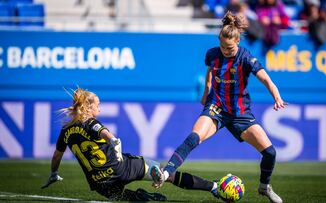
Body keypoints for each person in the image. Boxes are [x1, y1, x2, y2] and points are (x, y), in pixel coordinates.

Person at [153, 11, 287, 203]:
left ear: (238, 42)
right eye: (223, 46)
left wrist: (277, 96)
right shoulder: (212, 54)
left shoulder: (246, 58)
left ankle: (264, 186)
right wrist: (206, 91)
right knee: (194, 137)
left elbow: (265, 78)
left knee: (270, 153)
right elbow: (210, 71)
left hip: (240, 113)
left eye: (230, 48)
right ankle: (166, 173)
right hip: (216, 107)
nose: (226, 50)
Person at [41, 87, 219, 201]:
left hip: (100, 183)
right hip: (121, 168)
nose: (100, 109)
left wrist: (54, 173)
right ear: (88, 108)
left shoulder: (66, 130)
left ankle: (142, 196)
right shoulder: (91, 123)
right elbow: (107, 134)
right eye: (98, 105)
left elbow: (57, 155)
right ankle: (213, 187)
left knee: (124, 197)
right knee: (167, 173)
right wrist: (114, 142)